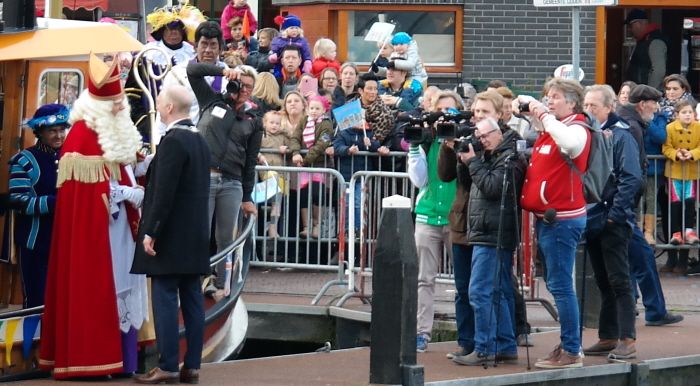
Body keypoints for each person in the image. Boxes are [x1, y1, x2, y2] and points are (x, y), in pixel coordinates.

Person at [39, 54, 148, 378]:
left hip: (122, 232)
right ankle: (96, 359)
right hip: (101, 234)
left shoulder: (114, 128)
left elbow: (128, 166)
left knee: (123, 292)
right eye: (115, 102)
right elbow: (94, 196)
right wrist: (124, 193)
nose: (120, 107)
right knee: (102, 291)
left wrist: (143, 167)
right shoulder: (82, 136)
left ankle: (126, 360)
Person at [131, 85, 211, 385]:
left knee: (165, 296)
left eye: (160, 103)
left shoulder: (173, 140)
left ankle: (166, 364)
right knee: (192, 298)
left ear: (167, 109)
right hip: (195, 234)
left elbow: (163, 192)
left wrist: (151, 230)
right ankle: (192, 366)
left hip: (171, 234)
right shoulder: (199, 140)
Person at [516, 78, 592, 369]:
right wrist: (529, 111)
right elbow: (537, 128)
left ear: (572, 102)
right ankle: (568, 345)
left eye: (556, 96)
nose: (549, 100)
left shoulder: (577, 128)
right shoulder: (555, 126)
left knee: (561, 286)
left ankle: (572, 350)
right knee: (557, 284)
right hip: (549, 219)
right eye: (548, 96)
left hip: (562, 220)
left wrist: (543, 114)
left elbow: (570, 143)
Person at [452, 116, 524, 366]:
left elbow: (492, 188)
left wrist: (472, 160)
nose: (481, 141)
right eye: (478, 137)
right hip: (487, 230)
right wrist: (464, 159)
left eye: (484, 137)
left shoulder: (510, 157)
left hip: (494, 233)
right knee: (499, 291)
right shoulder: (490, 156)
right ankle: (505, 345)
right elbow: (470, 183)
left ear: (499, 133)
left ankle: (484, 348)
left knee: (480, 291)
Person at [187, 62, 262, 299]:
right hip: (204, 178)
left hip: (232, 182)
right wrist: (222, 72)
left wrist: (248, 197)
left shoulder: (254, 118)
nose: (244, 90)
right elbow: (193, 71)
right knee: (200, 233)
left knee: (225, 237)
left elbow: (250, 162)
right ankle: (199, 280)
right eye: (241, 84)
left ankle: (222, 284)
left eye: (249, 87)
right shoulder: (211, 101)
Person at [580, 84, 642, 360]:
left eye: (594, 105)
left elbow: (631, 178)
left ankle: (627, 339)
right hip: (593, 217)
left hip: (611, 220)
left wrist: (615, 214)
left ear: (609, 107)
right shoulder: (591, 133)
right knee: (602, 281)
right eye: (586, 105)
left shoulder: (621, 136)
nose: (588, 110)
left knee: (620, 280)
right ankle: (608, 335)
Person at [407, 90, 458, 353]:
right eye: (442, 112)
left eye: (452, 112)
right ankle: (421, 333)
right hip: (428, 213)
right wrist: (416, 145)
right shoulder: (428, 140)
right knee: (423, 278)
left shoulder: (465, 139)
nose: (446, 118)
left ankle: (468, 333)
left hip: (456, 217)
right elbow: (418, 180)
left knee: (464, 278)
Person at [9, 104, 68, 308]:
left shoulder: (73, 157)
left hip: (66, 243)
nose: (59, 135)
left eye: (62, 129)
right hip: (36, 244)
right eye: (52, 130)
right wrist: (56, 203)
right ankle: (32, 341)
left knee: (64, 302)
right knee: (37, 303)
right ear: (40, 132)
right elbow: (17, 202)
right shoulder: (25, 160)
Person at [160, 21, 228, 130]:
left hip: (216, 139)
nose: (208, 50)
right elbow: (164, 110)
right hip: (184, 138)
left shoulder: (228, 76)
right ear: (195, 47)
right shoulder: (177, 73)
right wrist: (159, 140)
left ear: (220, 49)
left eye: (213, 45)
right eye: (204, 44)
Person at [289, 95, 333, 238]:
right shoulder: (304, 120)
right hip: (304, 166)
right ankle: (306, 226)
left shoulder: (326, 124)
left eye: (317, 108)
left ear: (324, 110)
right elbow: (295, 137)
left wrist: (306, 159)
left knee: (317, 193)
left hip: (318, 165)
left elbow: (322, 144)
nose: (313, 111)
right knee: (303, 195)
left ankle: (316, 225)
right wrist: (296, 152)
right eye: (311, 108)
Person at [333, 112, 381, 238]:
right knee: (347, 203)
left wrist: (370, 144)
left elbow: (377, 145)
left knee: (359, 202)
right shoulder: (343, 133)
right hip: (346, 176)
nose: (361, 121)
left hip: (362, 176)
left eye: (363, 118)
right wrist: (348, 150)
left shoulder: (369, 134)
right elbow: (337, 147)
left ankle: (358, 228)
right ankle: (347, 228)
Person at [662, 100, 700, 248]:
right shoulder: (670, 128)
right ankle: (676, 233)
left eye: (690, 112)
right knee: (675, 202)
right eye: (684, 112)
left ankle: (689, 231)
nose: (687, 115)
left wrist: (692, 154)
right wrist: (677, 154)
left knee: (690, 201)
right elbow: (666, 148)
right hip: (674, 172)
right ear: (677, 115)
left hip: (692, 172)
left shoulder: (698, 127)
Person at [257, 111, 290, 238]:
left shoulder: (282, 136)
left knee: (278, 203)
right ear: (264, 123)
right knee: (275, 183)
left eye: (277, 123)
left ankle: (273, 226)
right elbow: (254, 149)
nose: (274, 126)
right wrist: (259, 156)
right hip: (267, 170)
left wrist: (286, 147)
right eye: (271, 122)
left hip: (281, 171)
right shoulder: (261, 135)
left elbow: (292, 143)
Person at [144, 3, 205, 68]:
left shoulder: (192, 52)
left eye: (178, 28)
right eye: (169, 28)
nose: (174, 32)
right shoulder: (148, 51)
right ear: (162, 31)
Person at [348, 73, 394, 156]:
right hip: (348, 153)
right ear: (360, 91)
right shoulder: (349, 107)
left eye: (375, 89)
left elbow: (378, 139)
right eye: (369, 89)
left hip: (373, 157)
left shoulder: (384, 113)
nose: (373, 92)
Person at [624, 9, 667, 91]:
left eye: (630, 26)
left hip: (647, 94)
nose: (629, 30)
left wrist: (649, 92)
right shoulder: (643, 41)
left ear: (640, 23)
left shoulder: (655, 42)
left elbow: (659, 70)